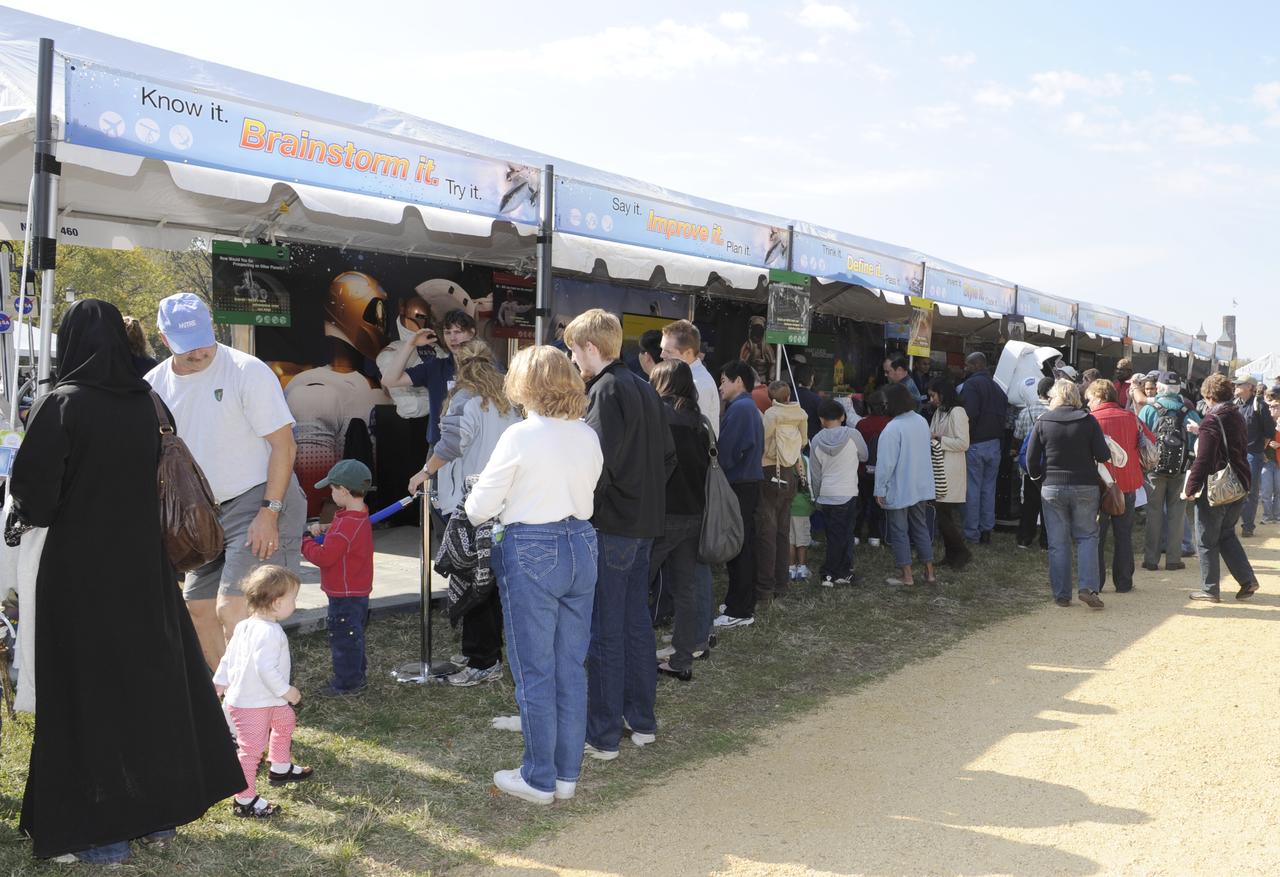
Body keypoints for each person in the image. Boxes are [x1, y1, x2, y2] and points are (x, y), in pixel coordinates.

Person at [10, 299, 242, 863]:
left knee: (86, 696)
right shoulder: (150, 402)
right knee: (148, 690)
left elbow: (34, 500)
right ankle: (159, 815)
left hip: (80, 577)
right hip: (146, 573)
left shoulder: (62, 405)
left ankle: (100, 833)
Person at [465, 345, 603, 803]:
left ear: (525, 386)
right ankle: (565, 775)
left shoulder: (521, 435)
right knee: (570, 666)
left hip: (532, 546)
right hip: (581, 542)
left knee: (535, 670)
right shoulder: (586, 434)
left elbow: (479, 509)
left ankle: (539, 778)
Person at [147, 293, 306, 671]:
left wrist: (270, 512)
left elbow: (284, 446)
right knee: (199, 610)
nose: (199, 353)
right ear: (164, 338)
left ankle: (258, 698)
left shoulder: (246, 370)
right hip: (201, 511)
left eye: (204, 341)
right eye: (188, 347)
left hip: (260, 495)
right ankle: (229, 696)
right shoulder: (151, 386)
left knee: (234, 608)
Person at [565, 309, 674, 760]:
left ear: (591, 348)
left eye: (573, 349)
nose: (572, 359)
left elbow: (597, 465)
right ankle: (641, 720)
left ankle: (604, 735)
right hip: (645, 524)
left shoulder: (606, 389)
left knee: (607, 630)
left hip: (614, 527)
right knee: (634, 625)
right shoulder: (644, 388)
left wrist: (591, 505)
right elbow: (668, 457)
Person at [408, 339, 522, 686]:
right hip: (504, 502)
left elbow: (451, 444)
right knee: (491, 582)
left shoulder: (464, 399)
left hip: (472, 504)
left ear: (461, 367)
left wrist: (424, 472)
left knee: (474, 581)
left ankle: (482, 660)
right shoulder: (509, 403)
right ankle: (485, 651)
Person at [213, 566, 312, 818]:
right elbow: (265, 668)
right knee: (250, 751)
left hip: (264, 699)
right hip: (252, 704)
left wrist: (220, 682)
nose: (295, 603)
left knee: (285, 720)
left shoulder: (245, 625)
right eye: (293, 598)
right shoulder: (270, 632)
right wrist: (287, 691)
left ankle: (280, 766)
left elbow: (229, 657)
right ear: (277, 603)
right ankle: (244, 799)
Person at [659, 319, 719, 660]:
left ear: (688, 354)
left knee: (693, 573)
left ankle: (696, 637)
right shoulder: (699, 380)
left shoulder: (692, 384)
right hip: (692, 493)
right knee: (693, 571)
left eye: (667, 352)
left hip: (684, 494)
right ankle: (695, 636)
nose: (660, 356)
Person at [647, 360, 710, 681]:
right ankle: (682, 658)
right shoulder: (699, 421)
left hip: (662, 515)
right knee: (686, 590)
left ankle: (638, 656)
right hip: (695, 513)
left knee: (636, 585)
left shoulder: (659, 415)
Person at [1026, 379, 1111, 609]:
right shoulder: (1088, 421)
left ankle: (1062, 595)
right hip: (1085, 485)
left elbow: (1031, 459)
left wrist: (1038, 481)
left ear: (1057, 397)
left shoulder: (1043, 422)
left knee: (1057, 542)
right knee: (1087, 537)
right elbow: (1103, 455)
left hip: (1052, 486)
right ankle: (1087, 587)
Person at [1184, 374, 1260, 602]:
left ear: (1209, 396)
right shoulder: (1235, 415)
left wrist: (1190, 487)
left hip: (1216, 486)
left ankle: (1210, 589)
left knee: (1207, 540)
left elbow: (1203, 460)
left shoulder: (1211, 419)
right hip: (1239, 482)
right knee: (1226, 534)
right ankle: (1247, 580)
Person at [301, 460, 375, 696]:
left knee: (344, 639)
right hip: (357, 590)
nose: (331, 493)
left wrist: (306, 542)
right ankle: (357, 674)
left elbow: (325, 557)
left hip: (344, 594)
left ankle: (348, 684)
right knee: (353, 633)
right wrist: (327, 528)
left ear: (343, 490)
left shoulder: (344, 526)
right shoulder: (357, 515)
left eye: (332, 489)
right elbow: (342, 532)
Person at [1086, 379, 1153, 593]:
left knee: (1096, 536)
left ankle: (1096, 582)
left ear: (1099, 397)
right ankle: (1124, 581)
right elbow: (1150, 442)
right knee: (1123, 535)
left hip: (1099, 485)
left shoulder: (1091, 420)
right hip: (1127, 483)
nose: (1088, 403)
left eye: (1090, 399)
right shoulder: (1132, 418)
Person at [380, 307, 478, 447]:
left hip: (474, 447)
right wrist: (411, 344)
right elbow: (389, 380)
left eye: (458, 331)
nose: (452, 338)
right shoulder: (435, 366)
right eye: (447, 332)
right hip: (439, 448)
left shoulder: (486, 368)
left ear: (471, 333)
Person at [715, 360, 765, 628]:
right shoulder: (746, 407)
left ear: (738, 382)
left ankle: (740, 610)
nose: (720, 386)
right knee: (742, 544)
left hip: (741, 484)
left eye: (723, 380)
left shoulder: (742, 408)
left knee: (740, 546)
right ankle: (738, 599)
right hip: (746, 482)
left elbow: (728, 452)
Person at [874, 383, 936, 586]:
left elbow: (885, 464)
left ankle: (907, 576)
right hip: (920, 484)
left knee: (899, 530)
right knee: (920, 527)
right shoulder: (921, 421)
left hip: (900, 486)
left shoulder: (892, 428)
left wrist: (880, 489)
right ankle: (929, 572)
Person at [1138, 372, 1201, 570]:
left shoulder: (1149, 410)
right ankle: (1174, 559)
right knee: (1177, 512)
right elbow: (1196, 440)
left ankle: (1151, 559)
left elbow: (1139, 438)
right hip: (1181, 469)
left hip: (1154, 470)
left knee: (1154, 512)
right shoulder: (1188, 410)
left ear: (1159, 388)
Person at [756, 381, 808, 602]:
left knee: (767, 531)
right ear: (789, 396)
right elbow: (803, 441)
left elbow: (763, 440)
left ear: (772, 398)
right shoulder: (801, 413)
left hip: (769, 471)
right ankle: (782, 584)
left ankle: (765, 587)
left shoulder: (770, 415)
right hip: (789, 472)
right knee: (783, 531)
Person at [810, 398, 869, 586]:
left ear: (821, 419)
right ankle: (832, 573)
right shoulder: (853, 435)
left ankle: (839, 571)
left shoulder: (817, 440)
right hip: (848, 491)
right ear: (843, 416)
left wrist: (818, 497)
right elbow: (865, 456)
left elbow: (815, 474)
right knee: (845, 534)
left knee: (833, 535)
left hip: (827, 493)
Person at [959, 352, 1008, 545]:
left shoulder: (971, 385)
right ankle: (986, 529)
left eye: (968, 365)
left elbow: (968, 414)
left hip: (976, 443)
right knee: (989, 488)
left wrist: (966, 438)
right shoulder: (998, 388)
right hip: (994, 443)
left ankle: (972, 533)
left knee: (973, 488)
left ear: (977, 365)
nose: (965, 368)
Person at [929, 378, 972, 570]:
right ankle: (952, 554)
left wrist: (940, 439)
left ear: (943, 394)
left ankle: (961, 552)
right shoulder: (939, 412)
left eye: (933, 395)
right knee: (942, 514)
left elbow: (963, 443)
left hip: (951, 470)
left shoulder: (958, 412)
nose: (931, 399)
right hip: (938, 467)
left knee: (943, 514)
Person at [1232, 375, 1276, 537]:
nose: (1235, 386)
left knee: (1250, 491)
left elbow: (1269, 432)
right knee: (1234, 489)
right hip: (1236, 454)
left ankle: (1248, 526)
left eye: (1239, 384)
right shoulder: (1235, 404)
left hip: (1252, 455)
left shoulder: (1260, 406)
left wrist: (1260, 449)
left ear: (1249, 387)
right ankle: (1232, 524)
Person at [1013, 376, 1053, 549]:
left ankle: (1025, 538)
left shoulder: (1026, 411)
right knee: (1049, 505)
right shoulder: (1056, 412)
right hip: (1051, 465)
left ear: (1038, 392)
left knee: (1029, 503)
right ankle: (1046, 540)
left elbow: (1018, 437)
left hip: (1030, 464)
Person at [854, 391, 890, 547]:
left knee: (860, 503)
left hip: (862, 470)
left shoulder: (861, 424)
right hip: (883, 471)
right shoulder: (891, 423)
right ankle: (874, 535)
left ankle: (855, 534)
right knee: (878, 504)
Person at [792, 362, 823, 445]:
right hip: (810, 442)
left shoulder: (788, 395)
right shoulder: (816, 399)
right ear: (811, 378)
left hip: (790, 441)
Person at [1261, 391, 1280, 524]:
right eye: (1271, 406)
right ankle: (1268, 515)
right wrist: (1262, 454)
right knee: (1266, 492)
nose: (1273, 409)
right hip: (1266, 462)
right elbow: (1256, 440)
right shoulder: (1264, 423)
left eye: (1277, 406)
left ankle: (1277, 515)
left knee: (1279, 491)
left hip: (1279, 462)